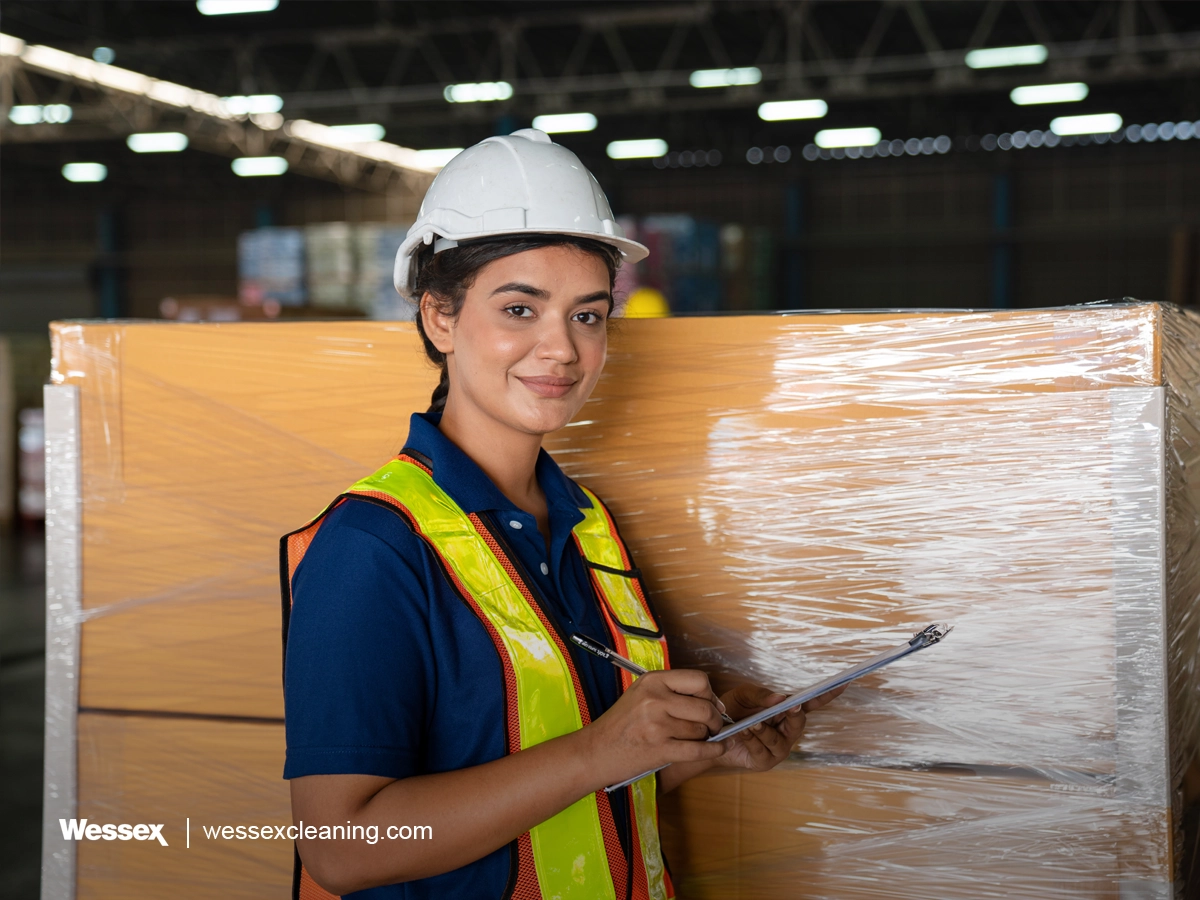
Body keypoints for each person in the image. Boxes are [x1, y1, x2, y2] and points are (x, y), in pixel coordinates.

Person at [281, 129, 840, 900]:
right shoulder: (376, 544)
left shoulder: (587, 526)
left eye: (587, 315)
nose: (563, 350)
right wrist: (599, 751)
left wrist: (702, 745)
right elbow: (342, 847)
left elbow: (576, 788)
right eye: (520, 309)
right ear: (440, 319)